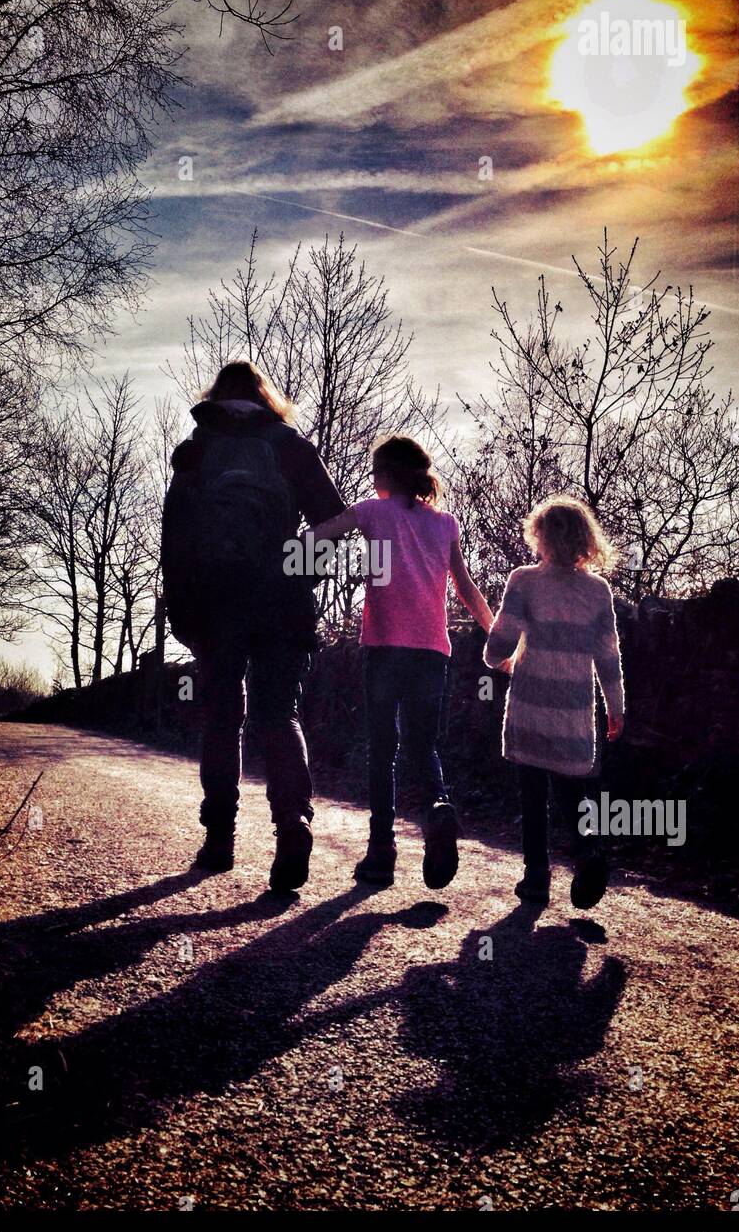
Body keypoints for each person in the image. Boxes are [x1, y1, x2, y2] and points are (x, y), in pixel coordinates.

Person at [161, 360, 343, 892]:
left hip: (216, 603)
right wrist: (297, 574)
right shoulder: (290, 445)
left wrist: (182, 608)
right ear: (266, 397)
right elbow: (333, 523)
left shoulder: (197, 448)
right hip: (280, 604)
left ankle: (219, 839)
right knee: (279, 713)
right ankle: (293, 824)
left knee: (222, 718)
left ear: (216, 395)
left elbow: (176, 537)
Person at [309, 435, 493, 889]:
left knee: (382, 747)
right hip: (432, 651)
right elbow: (465, 587)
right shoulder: (445, 523)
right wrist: (496, 633)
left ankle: (381, 851)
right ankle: (438, 807)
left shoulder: (372, 511)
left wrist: (281, 548)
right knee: (422, 744)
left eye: (375, 472)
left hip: (385, 647)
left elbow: (321, 535)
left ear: (387, 475)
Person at [484, 495, 625, 909]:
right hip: (574, 712)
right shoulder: (598, 591)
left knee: (532, 795)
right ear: (585, 539)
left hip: (531, 705)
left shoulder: (524, 581)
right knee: (571, 793)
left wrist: (495, 657)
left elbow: (501, 641)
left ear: (540, 536)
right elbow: (608, 657)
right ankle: (588, 853)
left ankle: (536, 878)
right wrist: (616, 707)